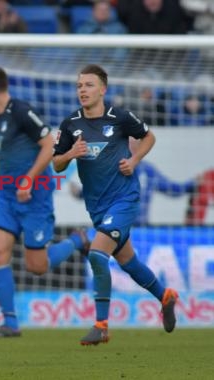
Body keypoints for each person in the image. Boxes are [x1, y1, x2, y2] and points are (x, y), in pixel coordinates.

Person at [52, 64, 179, 345]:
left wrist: (134, 161)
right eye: (79, 85)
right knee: (128, 261)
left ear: (103, 90)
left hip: (124, 199)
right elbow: (56, 164)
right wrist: (71, 153)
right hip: (97, 206)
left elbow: (149, 137)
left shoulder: (120, 118)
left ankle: (101, 325)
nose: (82, 90)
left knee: (97, 254)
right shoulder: (70, 124)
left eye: (88, 85)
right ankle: (166, 296)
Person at [0, 66, 89, 338]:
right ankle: (10, 322)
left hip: (35, 196)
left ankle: (77, 241)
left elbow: (50, 145)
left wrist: (29, 179)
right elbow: (1, 155)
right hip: (7, 197)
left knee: (36, 267)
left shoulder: (21, 111)